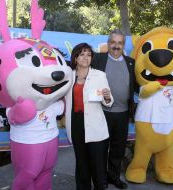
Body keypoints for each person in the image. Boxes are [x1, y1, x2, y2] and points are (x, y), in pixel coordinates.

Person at [65, 43, 113, 190]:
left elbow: (109, 102)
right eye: (82, 54)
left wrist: (107, 96)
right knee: (81, 165)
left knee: (98, 167)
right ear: (75, 57)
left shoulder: (100, 75)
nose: (86, 57)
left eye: (89, 54)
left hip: (95, 126)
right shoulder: (68, 76)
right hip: (76, 124)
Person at [92, 29, 136, 189]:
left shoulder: (131, 62)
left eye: (120, 43)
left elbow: (137, 86)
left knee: (118, 148)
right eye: (113, 42)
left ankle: (114, 177)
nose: (116, 46)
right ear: (108, 43)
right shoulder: (97, 59)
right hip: (102, 112)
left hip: (123, 114)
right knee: (102, 148)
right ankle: (101, 180)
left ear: (123, 45)